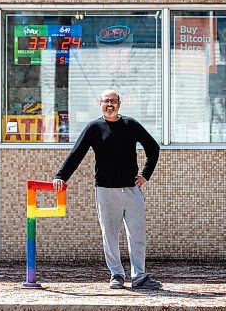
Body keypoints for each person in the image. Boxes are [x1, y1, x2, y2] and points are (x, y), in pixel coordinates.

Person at [53, 89, 162, 290]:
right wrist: (61, 176)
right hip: (105, 190)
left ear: (119, 103)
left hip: (131, 190)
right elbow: (76, 153)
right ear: (100, 104)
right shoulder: (94, 128)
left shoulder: (131, 124)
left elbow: (153, 149)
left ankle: (139, 276)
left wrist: (145, 175)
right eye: (106, 101)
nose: (109, 104)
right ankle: (117, 275)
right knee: (109, 234)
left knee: (137, 234)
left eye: (113, 101)